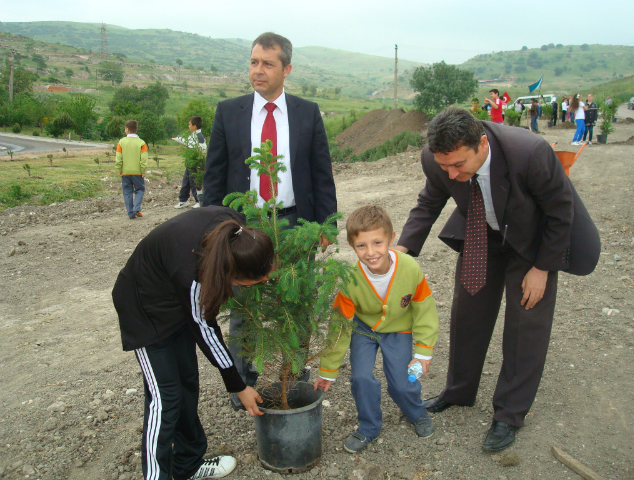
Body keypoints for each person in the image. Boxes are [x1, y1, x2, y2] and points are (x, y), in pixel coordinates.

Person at [395, 108, 600, 452]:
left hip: (532, 243)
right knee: (467, 314)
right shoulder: (438, 161)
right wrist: (402, 250)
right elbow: (429, 202)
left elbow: (561, 209)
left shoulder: (529, 152)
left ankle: (509, 414)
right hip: (482, 236)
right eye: (445, 166)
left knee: (525, 326)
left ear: (482, 144)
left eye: (458, 165)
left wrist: (542, 269)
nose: (451, 172)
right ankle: (458, 391)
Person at [202, 32, 337, 407]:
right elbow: (214, 175)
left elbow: (321, 172)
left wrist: (326, 226)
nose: (258, 71)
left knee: (296, 303)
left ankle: (293, 375)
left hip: (295, 223)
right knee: (244, 305)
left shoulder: (307, 112)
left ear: (286, 69)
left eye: (267, 64)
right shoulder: (229, 112)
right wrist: (209, 228)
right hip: (242, 225)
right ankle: (242, 382)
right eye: (253, 62)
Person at [112, 206, 274, 480]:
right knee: (165, 397)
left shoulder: (237, 232)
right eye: (253, 283)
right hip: (145, 311)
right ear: (231, 275)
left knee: (187, 383)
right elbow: (205, 329)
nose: (267, 279)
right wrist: (238, 385)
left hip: (174, 301)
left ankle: (188, 465)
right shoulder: (194, 275)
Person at [314, 205, 439, 453]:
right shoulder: (349, 280)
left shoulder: (410, 268)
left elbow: (424, 310)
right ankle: (369, 426)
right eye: (362, 246)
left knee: (404, 382)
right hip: (363, 329)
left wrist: (424, 351)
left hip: (398, 329)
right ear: (352, 246)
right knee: (360, 378)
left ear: (391, 238)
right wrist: (327, 369)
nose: (371, 252)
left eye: (378, 243)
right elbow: (339, 327)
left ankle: (416, 412)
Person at [116, 120, 148, 220]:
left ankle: (130, 213)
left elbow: (118, 157)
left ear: (127, 129)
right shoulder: (142, 143)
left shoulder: (121, 142)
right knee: (140, 189)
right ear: (136, 129)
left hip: (125, 172)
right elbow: (144, 159)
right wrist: (143, 170)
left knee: (127, 192)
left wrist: (119, 168)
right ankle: (137, 208)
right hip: (137, 172)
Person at [173, 116, 207, 209]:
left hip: (194, 164)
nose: (188, 126)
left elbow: (201, 150)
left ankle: (199, 201)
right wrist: (177, 139)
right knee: (186, 182)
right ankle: (183, 200)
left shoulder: (199, 137)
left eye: (189, 124)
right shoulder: (193, 136)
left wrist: (199, 164)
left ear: (194, 126)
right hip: (189, 164)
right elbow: (187, 142)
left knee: (194, 183)